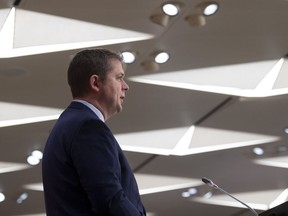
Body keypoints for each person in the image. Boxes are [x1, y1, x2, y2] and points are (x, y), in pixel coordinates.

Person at [42, 48, 146, 216]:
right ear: (96, 83)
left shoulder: (70, 124)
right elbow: (110, 199)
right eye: (119, 78)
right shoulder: (87, 127)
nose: (125, 87)